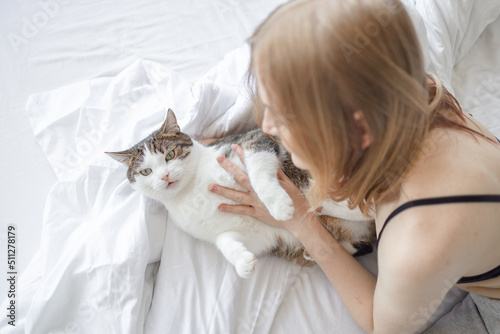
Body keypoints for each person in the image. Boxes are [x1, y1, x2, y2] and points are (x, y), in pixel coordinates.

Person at [207, 0, 500, 333]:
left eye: (285, 116)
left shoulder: (418, 239)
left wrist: (302, 223)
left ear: (358, 130)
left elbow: (380, 326)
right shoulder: (421, 91)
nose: (269, 125)